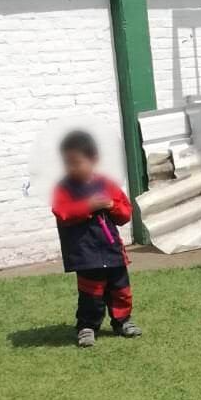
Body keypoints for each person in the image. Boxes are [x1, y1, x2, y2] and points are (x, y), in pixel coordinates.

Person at [50, 130, 140, 347]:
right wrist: (88, 206)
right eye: (67, 163)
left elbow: (125, 215)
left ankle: (123, 321)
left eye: (76, 162)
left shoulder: (107, 185)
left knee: (120, 289)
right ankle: (87, 326)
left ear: (94, 160)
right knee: (91, 292)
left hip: (111, 249)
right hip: (85, 251)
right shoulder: (64, 188)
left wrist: (111, 205)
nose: (71, 168)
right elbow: (62, 212)